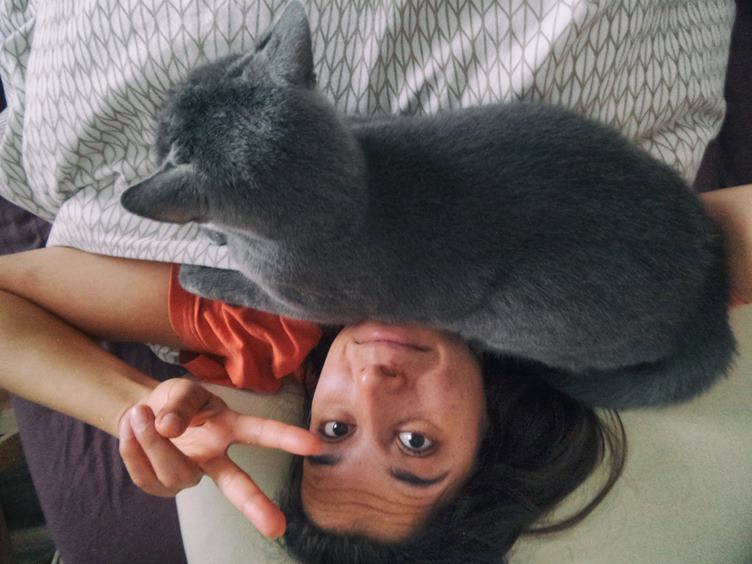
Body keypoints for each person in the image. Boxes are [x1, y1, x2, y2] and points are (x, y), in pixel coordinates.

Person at [0, 184, 749, 561]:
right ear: (491, 434)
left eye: (334, 430)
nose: (371, 383)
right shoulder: (579, 295)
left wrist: (135, 407)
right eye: (415, 443)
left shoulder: (263, 321)